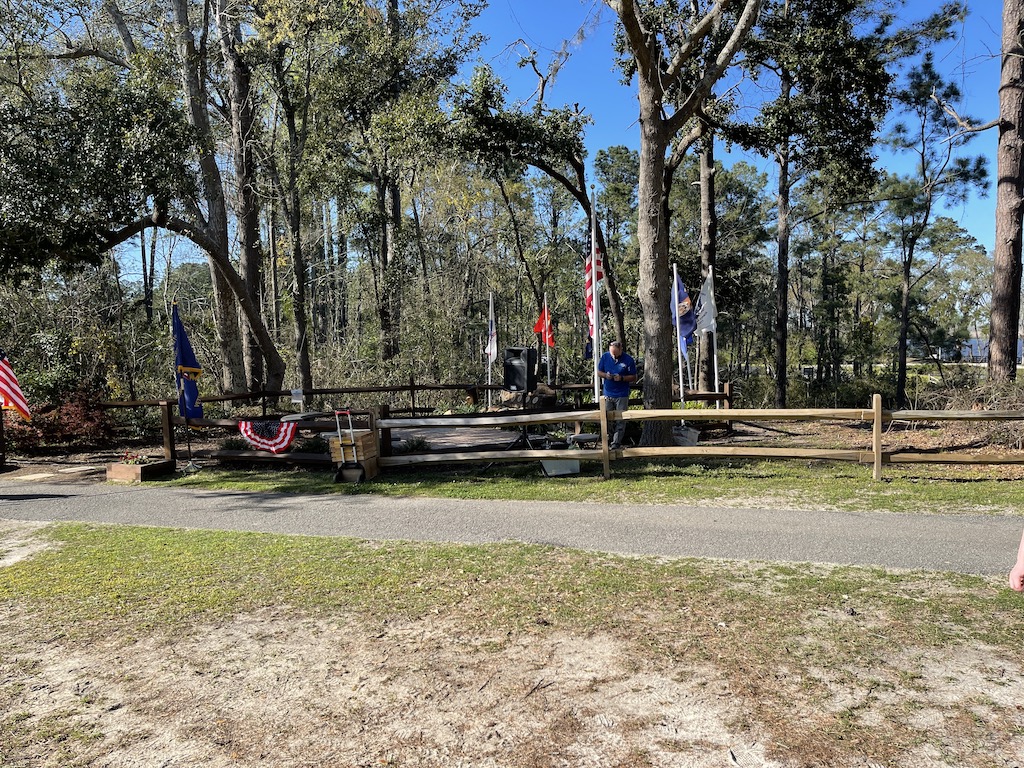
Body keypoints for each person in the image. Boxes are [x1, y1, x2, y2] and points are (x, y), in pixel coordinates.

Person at [597, 340, 637, 449]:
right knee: (607, 419)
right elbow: (599, 372)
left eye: (616, 354)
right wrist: (606, 375)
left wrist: (622, 378)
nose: (614, 356)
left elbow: (633, 377)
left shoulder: (628, 359)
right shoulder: (605, 357)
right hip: (608, 393)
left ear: (621, 350)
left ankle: (616, 443)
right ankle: (608, 440)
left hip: (622, 394)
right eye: (612, 354)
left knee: (620, 420)